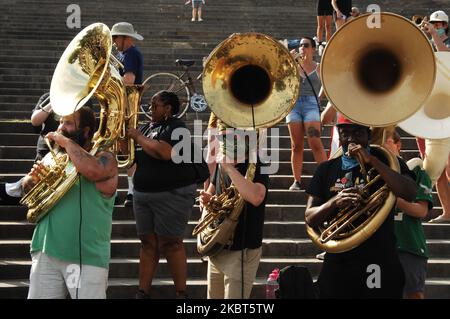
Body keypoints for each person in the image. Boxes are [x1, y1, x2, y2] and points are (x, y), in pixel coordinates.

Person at [305, 114, 417, 298]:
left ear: (368, 133)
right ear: (338, 135)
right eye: (345, 133)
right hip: (339, 259)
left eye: (357, 132)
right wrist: (335, 201)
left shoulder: (388, 162)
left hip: (378, 258)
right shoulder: (326, 169)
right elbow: (310, 217)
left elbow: (410, 192)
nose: (351, 138)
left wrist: (372, 161)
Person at [23, 106, 118, 299]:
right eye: (60, 122)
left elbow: (93, 172)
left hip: (84, 258)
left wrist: (65, 142)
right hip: (46, 251)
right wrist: (30, 181)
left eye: (68, 123)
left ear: (86, 131)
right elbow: (28, 188)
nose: (60, 127)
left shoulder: (105, 157)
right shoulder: (54, 156)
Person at [126, 91, 198, 298]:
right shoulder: (146, 127)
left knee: (171, 244)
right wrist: (124, 136)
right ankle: (142, 292)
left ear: (168, 108)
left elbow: (164, 152)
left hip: (172, 195)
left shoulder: (177, 127)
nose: (150, 109)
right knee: (147, 243)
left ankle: (181, 294)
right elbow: (130, 155)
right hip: (143, 194)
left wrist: (138, 136)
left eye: (155, 105)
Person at [199, 127, 269, 299]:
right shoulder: (222, 166)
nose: (223, 142)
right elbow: (211, 192)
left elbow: (256, 197)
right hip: (218, 247)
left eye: (228, 138)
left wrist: (229, 168)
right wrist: (206, 199)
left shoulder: (258, 165)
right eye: (221, 138)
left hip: (242, 250)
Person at [384, 129, 432, 299]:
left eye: (387, 141)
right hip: (381, 247)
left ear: (398, 145)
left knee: (414, 295)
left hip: (409, 244)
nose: (382, 145)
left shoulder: (417, 172)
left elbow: (421, 211)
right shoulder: (373, 172)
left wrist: (396, 200)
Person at [286, 37, 327, 191]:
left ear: (313, 49)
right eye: (300, 45)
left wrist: (319, 97)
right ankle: (296, 181)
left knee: (315, 142)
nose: (302, 48)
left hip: (311, 104)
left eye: (306, 45)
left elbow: (326, 83)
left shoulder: (318, 67)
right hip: (294, 104)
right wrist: (289, 62)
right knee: (296, 146)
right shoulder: (293, 65)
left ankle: (326, 178)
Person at [111, 22, 144, 207]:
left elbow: (129, 80)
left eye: (116, 38)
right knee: (116, 149)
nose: (114, 42)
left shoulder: (131, 53)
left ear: (125, 38)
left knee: (125, 150)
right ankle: (123, 191)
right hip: (121, 106)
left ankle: (131, 192)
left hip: (126, 106)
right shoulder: (123, 54)